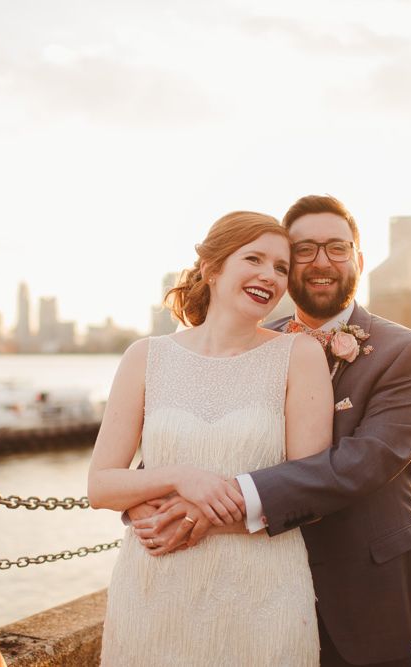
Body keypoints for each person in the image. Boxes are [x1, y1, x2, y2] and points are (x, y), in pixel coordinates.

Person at [132, 195, 411, 666]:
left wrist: (214, 509)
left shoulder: (408, 352)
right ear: (285, 264)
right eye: (304, 250)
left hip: (364, 587)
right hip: (253, 588)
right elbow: (198, 432)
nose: (322, 262)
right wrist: (153, 500)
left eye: (337, 248)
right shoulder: (255, 342)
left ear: (358, 261)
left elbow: (362, 463)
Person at [88, 211, 334, 665]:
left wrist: (202, 514)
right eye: (254, 258)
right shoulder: (145, 356)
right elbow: (101, 486)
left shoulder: (299, 355)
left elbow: (309, 486)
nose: (269, 276)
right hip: (154, 587)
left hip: (262, 590)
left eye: (281, 268)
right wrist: (182, 477)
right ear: (212, 267)